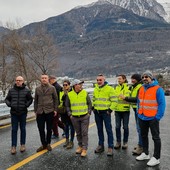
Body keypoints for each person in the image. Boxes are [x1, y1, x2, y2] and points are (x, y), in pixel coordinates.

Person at [136, 71, 166, 167]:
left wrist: (157, 117)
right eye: (143, 77)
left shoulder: (158, 89)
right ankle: (145, 153)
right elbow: (139, 102)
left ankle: (156, 158)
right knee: (143, 136)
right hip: (142, 117)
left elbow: (162, 104)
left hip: (153, 118)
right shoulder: (141, 88)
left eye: (147, 76)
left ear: (151, 78)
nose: (144, 78)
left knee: (155, 137)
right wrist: (138, 112)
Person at [5, 76, 33, 154]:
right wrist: (10, 104)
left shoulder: (26, 91)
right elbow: (7, 99)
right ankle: (13, 146)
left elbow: (30, 99)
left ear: (23, 81)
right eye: (17, 80)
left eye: (19, 80)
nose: (18, 82)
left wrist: (26, 105)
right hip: (14, 113)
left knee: (23, 129)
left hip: (23, 112)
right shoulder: (11, 90)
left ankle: (22, 145)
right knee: (14, 129)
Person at [66, 79, 92, 157]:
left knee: (84, 133)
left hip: (84, 116)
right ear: (75, 85)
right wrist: (70, 114)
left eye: (81, 84)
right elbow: (67, 105)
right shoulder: (69, 94)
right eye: (79, 84)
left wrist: (89, 113)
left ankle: (84, 149)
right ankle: (80, 146)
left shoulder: (85, 93)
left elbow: (89, 104)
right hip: (74, 117)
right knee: (78, 133)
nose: (81, 85)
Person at [119, 74, 143, 155]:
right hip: (135, 109)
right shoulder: (133, 87)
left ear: (138, 79)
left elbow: (137, 99)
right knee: (138, 128)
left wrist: (125, 98)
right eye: (132, 79)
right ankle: (140, 144)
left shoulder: (140, 87)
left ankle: (141, 146)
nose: (132, 80)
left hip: (139, 109)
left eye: (134, 79)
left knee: (140, 128)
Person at [93, 74, 116, 156]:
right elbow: (94, 99)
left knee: (108, 129)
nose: (99, 81)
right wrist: (93, 107)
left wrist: (110, 110)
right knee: (99, 129)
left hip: (106, 112)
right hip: (97, 112)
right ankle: (101, 145)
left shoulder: (110, 89)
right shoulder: (95, 89)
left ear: (104, 80)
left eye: (100, 80)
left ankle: (110, 147)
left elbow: (114, 100)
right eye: (97, 80)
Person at [34, 74, 59, 152]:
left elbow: (56, 99)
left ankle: (48, 143)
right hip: (40, 112)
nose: (44, 79)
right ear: (40, 79)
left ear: (48, 79)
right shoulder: (37, 89)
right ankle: (43, 144)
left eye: (45, 78)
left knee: (49, 128)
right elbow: (36, 100)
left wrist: (55, 109)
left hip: (49, 111)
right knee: (41, 129)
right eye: (42, 78)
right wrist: (35, 110)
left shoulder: (52, 88)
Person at [114, 74, 131, 150]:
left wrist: (124, 98)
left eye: (120, 79)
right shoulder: (116, 88)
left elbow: (128, 98)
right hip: (117, 110)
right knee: (117, 127)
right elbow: (115, 97)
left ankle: (125, 142)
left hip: (125, 110)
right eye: (118, 79)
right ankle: (118, 142)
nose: (119, 80)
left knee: (125, 127)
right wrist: (121, 97)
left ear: (124, 79)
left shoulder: (128, 88)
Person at [59, 80, 75, 149]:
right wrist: (65, 93)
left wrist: (67, 93)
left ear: (69, 85)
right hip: (63, 111)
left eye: (66, 85)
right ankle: (67, 140)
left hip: (71, 111)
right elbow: (61, 100)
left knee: (72, 126)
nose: (65, 86)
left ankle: (71, 141)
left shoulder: (72, 91)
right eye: (63, 85)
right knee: (65, 126)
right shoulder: (61, 91)